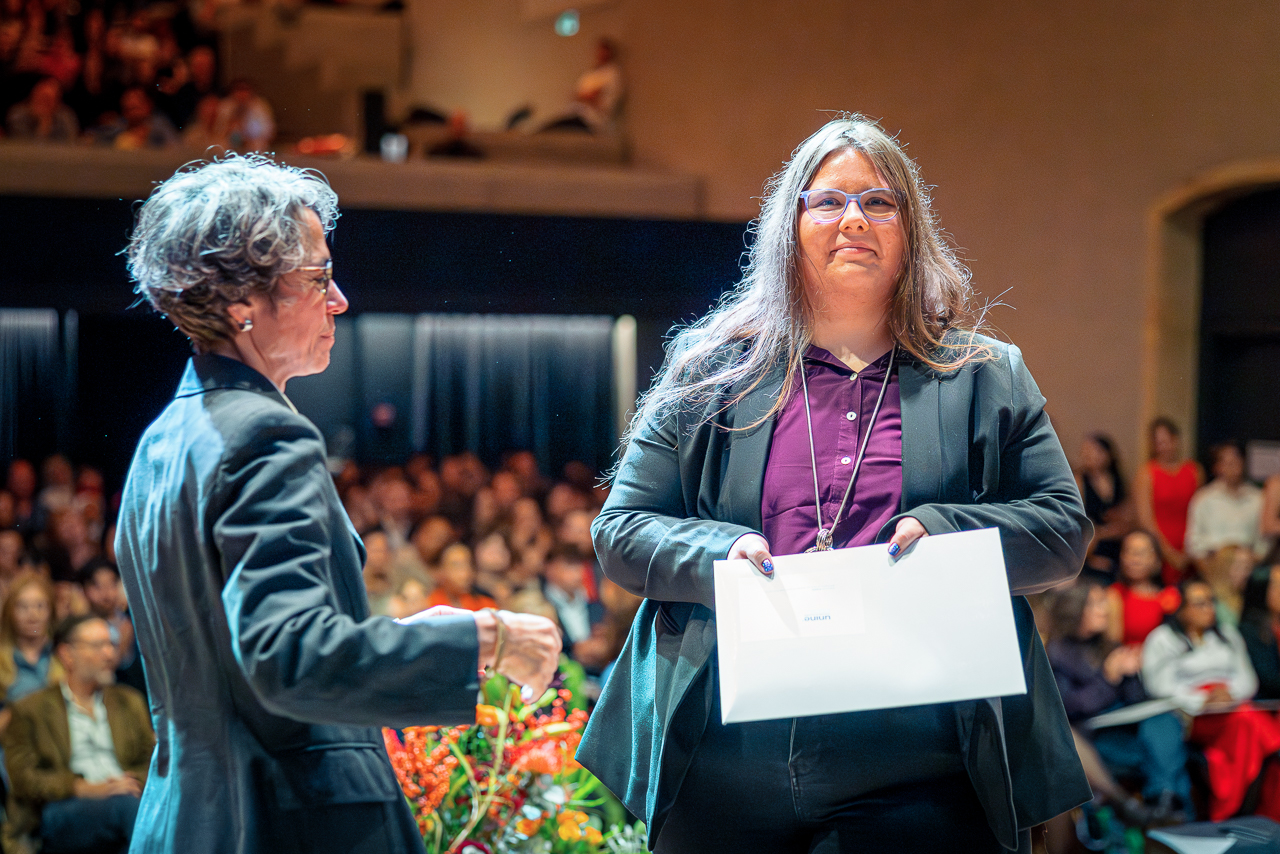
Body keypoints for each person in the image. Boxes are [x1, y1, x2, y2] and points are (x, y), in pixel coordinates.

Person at [579, 115, 1092, 854]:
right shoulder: (711, 369)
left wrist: (946, 531)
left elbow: (1062, 532)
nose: (854, 218)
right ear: (789, 227)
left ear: (911, 232)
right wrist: (722, 553)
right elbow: (622, 531)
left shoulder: (984, 374)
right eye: (828, 201)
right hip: (726, 752)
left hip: (922, 759)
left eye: (879, 202)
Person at [114, 154, 561, 853]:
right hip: (288, 822)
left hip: (187, 819)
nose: (340, 299)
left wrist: (405, 634)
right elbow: (288, 656)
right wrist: (486, 638)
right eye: (319, 278)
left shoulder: (163, 439)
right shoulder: (267, 434)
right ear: (242, 303)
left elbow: (242, 661)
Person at [1, 615, 154, 854]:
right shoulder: (30, 710)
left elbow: (152, 760)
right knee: (129, 811)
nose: (109, 654)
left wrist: (129, 781)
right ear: (67, 654)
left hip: (124, 798)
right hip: (63, 807)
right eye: (98, 645)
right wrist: (81, 787)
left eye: (111, 644)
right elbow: (23, 778)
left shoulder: (129, 702)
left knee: (137, 813)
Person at [1047, 580, 1191, 824]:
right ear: (1074, 609)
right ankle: (1162, 807)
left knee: (1164, 720)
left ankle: (1164, 799)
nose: (1104, 610)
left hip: (1125, 725)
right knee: (1159, 747)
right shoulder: (1056, 653)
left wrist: (1132, 673)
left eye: (1103, 602)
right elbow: (1068, 707)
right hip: (1090, 735)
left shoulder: (1109, 646)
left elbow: (1136, 700)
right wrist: (1109, 678)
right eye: (1094, 604)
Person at [1143, 578, 1280, 821]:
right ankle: (1240, 804)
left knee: (1246, 721)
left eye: (1210, 602)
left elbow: (1248, 679)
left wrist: (1229, 694)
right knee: (1249, 721)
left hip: (1231, 706)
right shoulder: (1162, 639)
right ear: (1181, 608)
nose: (1209, 609)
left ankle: (1245, 806)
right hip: (1191, 714)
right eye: (1200, 603)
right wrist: (1202, 699)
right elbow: (1159, 686)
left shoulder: (1227, 635)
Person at [1186, 440, 1267, 619]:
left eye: (1235, 461)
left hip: (1248, 577)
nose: (1231, 467)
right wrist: (1213, 575)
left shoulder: (1258, 499)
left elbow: (1263, 544)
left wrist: (1244, 568)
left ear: (1244, 463)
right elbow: (1193, 544)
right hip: (1213, 576)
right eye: (1225, 462)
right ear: (1217, 466)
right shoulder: (1204, 499)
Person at [1133, 417, 1203, 585]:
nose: (1162, 448)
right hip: (1160, 547)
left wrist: (1189, 550)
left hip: (1191, 546)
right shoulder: (1146, 473)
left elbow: (1201, 513)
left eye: (1166, 442)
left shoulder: (1194, 470)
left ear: (1176, 440)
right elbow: (1146, 521)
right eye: (1158, 443)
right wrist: (1170, 554)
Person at [1107, 529, 1181, 646]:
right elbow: (1113, 644)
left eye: (1141, 553)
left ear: (1157, 559)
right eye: (1128, 551)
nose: (1133, 559)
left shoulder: (1170, 595)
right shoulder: (1115, 594)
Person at [1075, 433, 1133, 582]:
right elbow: (1078, 522)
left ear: (1108, 454)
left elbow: (1128, 516)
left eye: (1094, 450)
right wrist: (1102, 533)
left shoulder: (1118, 480)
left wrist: (1120, 522)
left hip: (1119, 544)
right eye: (1085, 451)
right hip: (1092, 546)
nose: (1088, 455)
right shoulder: (1079, 480)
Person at [1239, 564, 1280, 700]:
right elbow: (1270, 679)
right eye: (1277, 586)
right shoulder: (1249, 630)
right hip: (1267, 702)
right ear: (1261, 589)